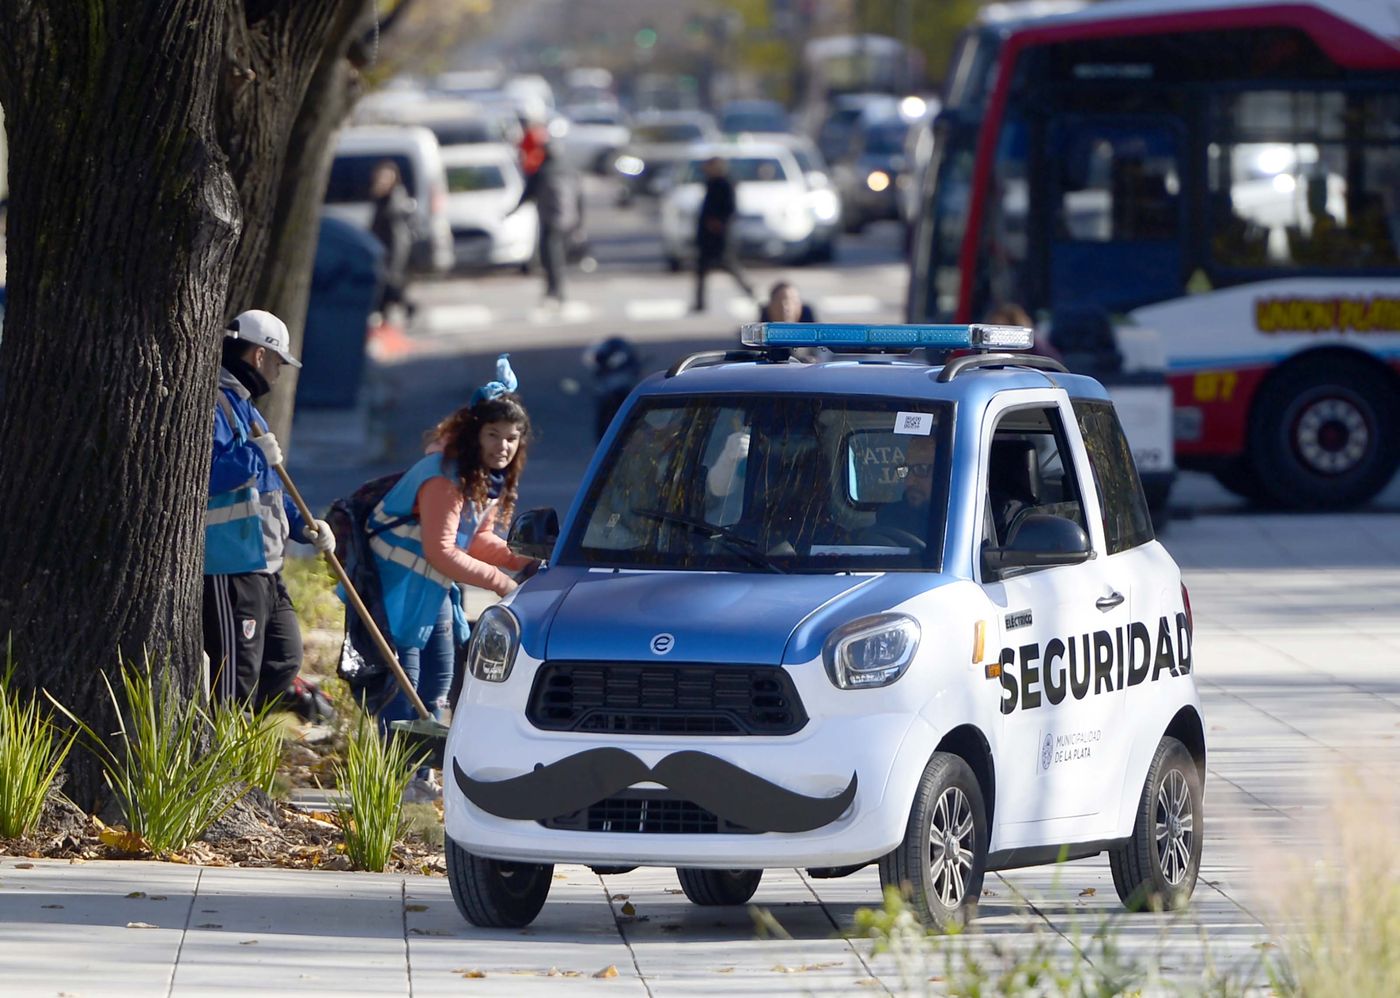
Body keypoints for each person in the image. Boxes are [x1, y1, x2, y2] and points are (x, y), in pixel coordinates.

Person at [369, 354, 540, 800]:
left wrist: (526, 561)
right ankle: (396, 784)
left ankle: (420, 779)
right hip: (398, 592)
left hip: (431, 592)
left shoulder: (482, 478)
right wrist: (502, 583)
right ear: (473, 434)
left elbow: (475, 539)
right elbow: (441, 550)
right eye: (493, 435)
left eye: (511, 439)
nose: (503, 446)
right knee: (403, 688)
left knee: (438, 684)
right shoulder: (445, 477)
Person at [204, 310, 337, 721]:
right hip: (229, 565)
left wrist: (306, 526)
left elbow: (272, 489)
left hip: (265, 565)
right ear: (260, 356)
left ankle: (244, 735)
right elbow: (201, 477)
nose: (278, 375)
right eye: (278, 363)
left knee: (284, 658)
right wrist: (251, 457)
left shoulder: (247, 409)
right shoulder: (213, 406)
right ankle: (225, 767)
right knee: (235, 679)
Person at [509, 136, 578, 306]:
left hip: (549, 220)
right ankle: (557, 290)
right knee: (558, 257)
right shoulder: (569, 170)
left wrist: (511, 212)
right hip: (568, 220)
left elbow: (528, 195)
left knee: (551, 257)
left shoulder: (543, 171)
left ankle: (554, 290)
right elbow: (579, 197)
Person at [692, 156, 755, 313]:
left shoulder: (725, 184)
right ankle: (700, 303)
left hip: (720, 235)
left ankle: (749, 291)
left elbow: (730, 209)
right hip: (706, 235)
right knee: (701, 269)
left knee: (729, 265)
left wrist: (719, 223)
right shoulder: (710, 183)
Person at [368, 160, 415, 320]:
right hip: (381, 243)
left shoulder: (396, 194)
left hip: (393, 244)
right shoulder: (379, 196)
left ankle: (406, 306)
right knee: (386, 280)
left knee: (389, 279)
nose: (382, 180)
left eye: (386, 177)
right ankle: (388, 311)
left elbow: (392, 213)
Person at [874, 435, 937, 539]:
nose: (909, 481)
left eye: (921, 469)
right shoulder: (889, 517)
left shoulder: (961, 522)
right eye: (905, 469)